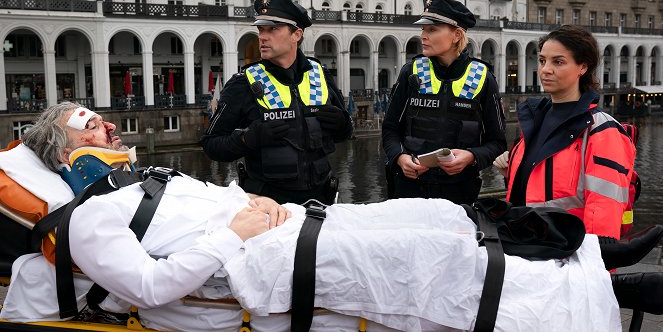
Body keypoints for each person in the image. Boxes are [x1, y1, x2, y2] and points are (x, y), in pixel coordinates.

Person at [2, 103, 663, 332]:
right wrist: (232, 230)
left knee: (438, 218)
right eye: (90, 123)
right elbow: (148, 289)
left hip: (292, 223)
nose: (109, 125)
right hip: (265, 259)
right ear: (63, 149)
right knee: (432, 260)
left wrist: (256, 210)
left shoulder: (147, 179)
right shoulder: (87, 220)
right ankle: (612, 292)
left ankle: (596, 257)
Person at [202, 0, 352, 206]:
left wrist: (343, 124)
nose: (262, 37)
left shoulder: (320, 75)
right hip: (268, 207)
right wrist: (249, 138)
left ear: (296, 34)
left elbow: (345, 133)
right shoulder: (243, 83)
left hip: (319, 202)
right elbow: (211, 145)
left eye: (272, 29)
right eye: (260, 29)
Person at [494, 25, 637, 240]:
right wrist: (513, 167)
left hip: (565, 252)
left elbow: (604, 208)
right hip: (526, 244)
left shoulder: (601, 130)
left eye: (558, 62)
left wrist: (592, 263)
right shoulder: (535, 119)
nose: (545, 69)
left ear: (582, 67)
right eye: (542, 60)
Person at [382, 0, 506, 204]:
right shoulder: (411, 72)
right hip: (410, 189)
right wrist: (400, 158)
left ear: (456, 35)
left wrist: (471, 157)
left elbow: (497, 143)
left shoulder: (482, 78)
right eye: (423, 29)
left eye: (432, 29)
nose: (423, 35)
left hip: (458, 193)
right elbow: (390, 129)